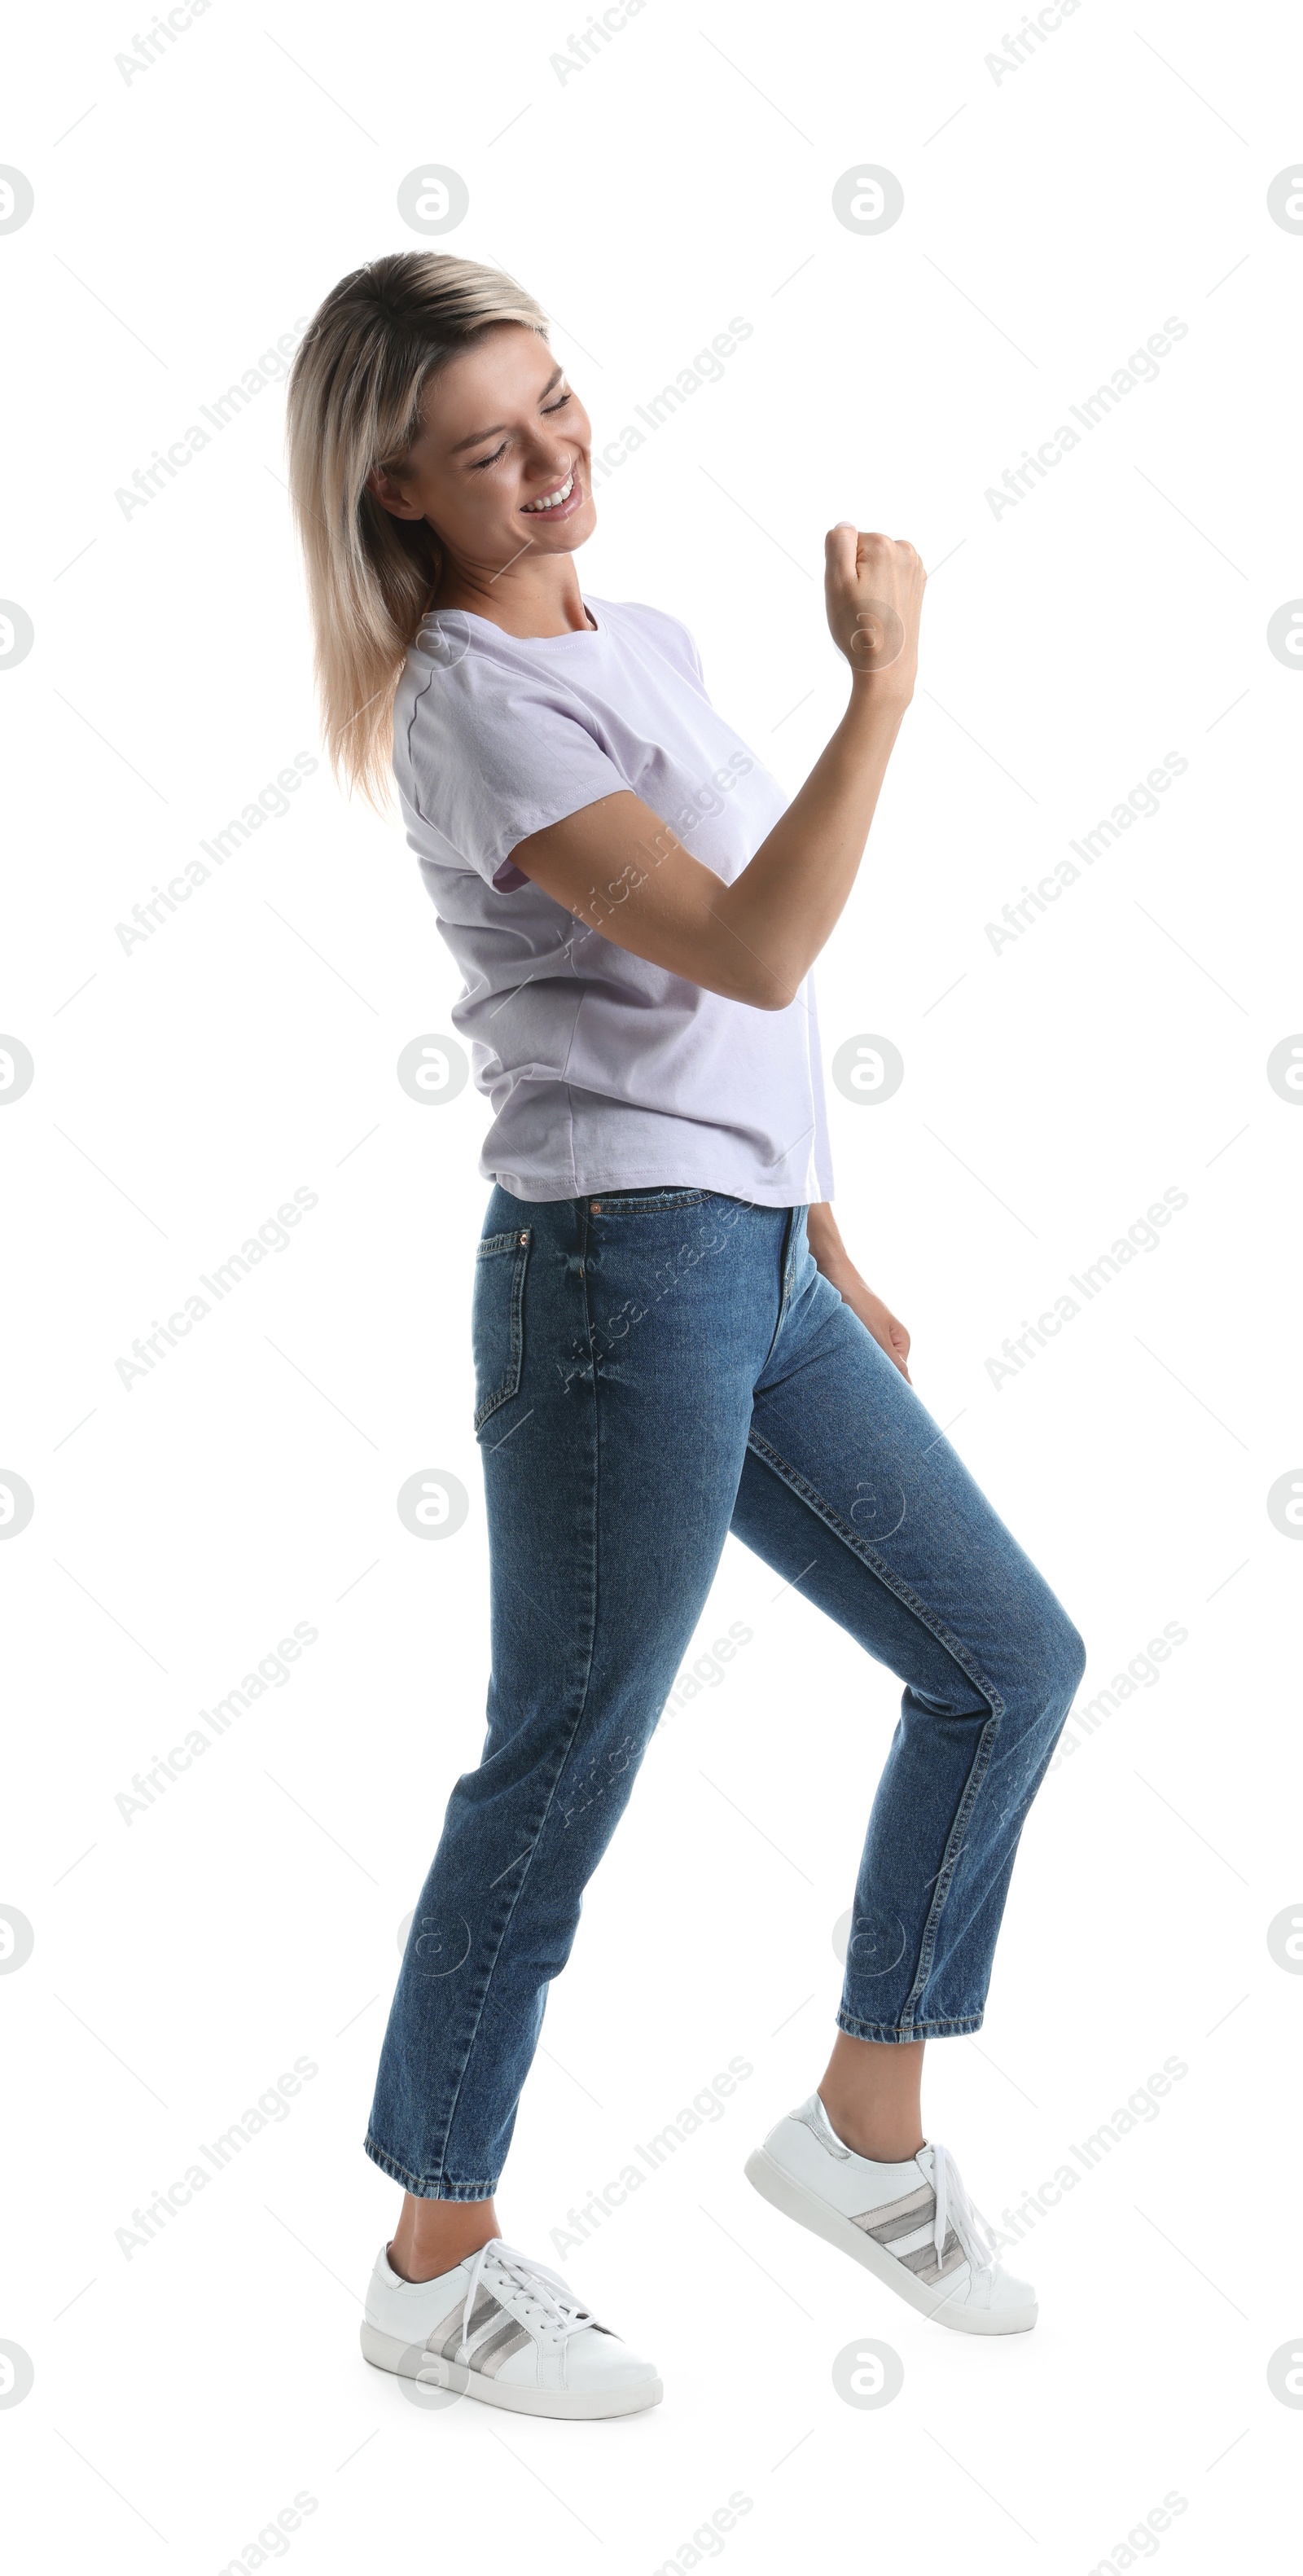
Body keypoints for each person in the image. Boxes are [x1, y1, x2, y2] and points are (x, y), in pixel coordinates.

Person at [285, 251, 1086, 2421]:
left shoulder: (640, 641)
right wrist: (888, 694)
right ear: (402, 501)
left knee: (1008, 1656)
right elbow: (747, 943)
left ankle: (865, 2129)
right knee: (565, 1755)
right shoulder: (476, 702)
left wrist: (828, 1231)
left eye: (554, 404)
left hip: (751, 1267)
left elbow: (758, 1009)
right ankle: (432, 2268)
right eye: (487, 448)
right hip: (614, 1285)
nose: (551, 458)